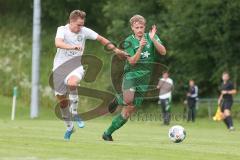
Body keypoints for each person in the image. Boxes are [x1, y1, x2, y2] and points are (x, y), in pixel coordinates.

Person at [52, 10, 128, 140]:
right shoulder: (62, 30)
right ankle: (70, 127)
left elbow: (101, 39)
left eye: (82, 24)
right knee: (62, 103)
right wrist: (72, 47)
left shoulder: (84, 31)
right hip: (59, 69)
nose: (81, 27)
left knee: (72, 83)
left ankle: (75, 113)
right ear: (71, 22)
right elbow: (57, 43)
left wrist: (116, 50)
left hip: (75, 67)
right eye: (78, 25)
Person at [102, 15, 166, 141]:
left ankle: (107, 133)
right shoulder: (129, 41)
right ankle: (118, 99)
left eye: (142, 27)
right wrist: (141, 47)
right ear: (132, 28)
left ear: (145, 27)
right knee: (128, 99)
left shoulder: (151, 37)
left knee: (129, 110)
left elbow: (163, 52)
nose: (140, 30)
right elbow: (132, 62)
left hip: (145, 78)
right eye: (137, 27)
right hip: (131, 74)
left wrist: (153, 40)